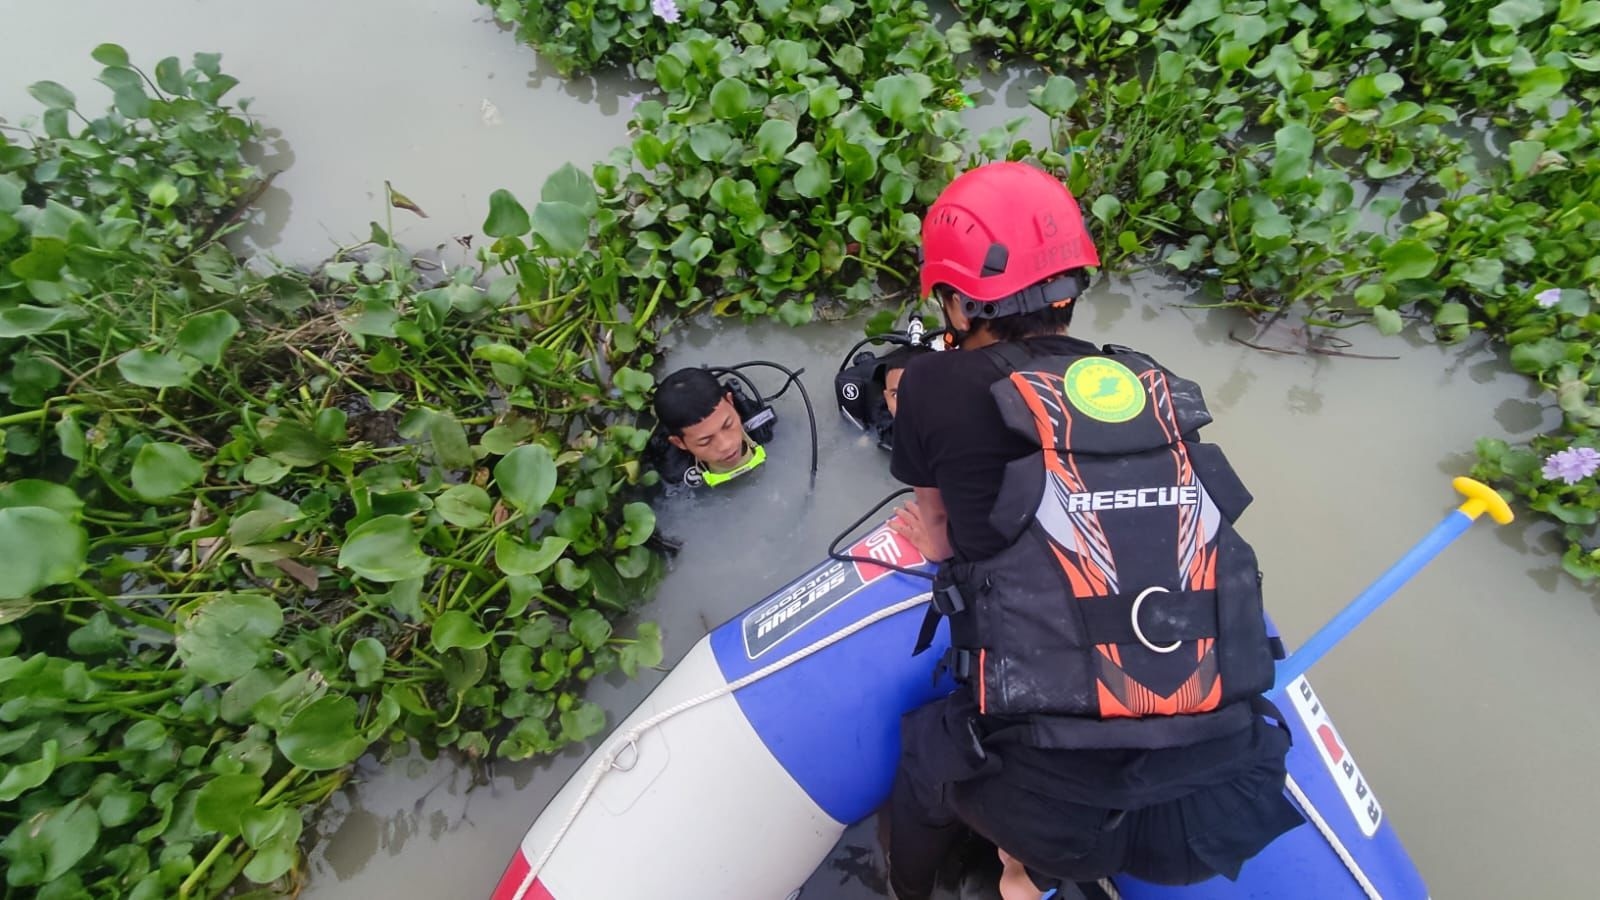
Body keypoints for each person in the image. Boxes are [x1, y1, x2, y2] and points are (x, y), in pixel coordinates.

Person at [881, 161, 1303, 900]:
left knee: (929, 752)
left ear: (954, 304)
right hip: (1226, 799)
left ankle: (954, 882)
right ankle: (1029, 871)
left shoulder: (931, 384)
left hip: (1054, 813)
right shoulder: (1148, 380)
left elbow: (942, 533)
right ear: (1071, 289)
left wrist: (935, 544)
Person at [646, 366, 775, 489]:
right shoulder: (673, 469)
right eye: (705, 441)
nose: (726, 445)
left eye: (728, 425)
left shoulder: (754, 416)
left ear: (730, 402)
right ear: (679, 442)